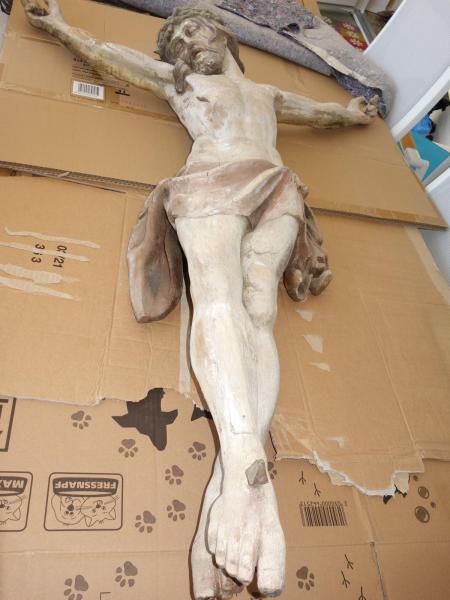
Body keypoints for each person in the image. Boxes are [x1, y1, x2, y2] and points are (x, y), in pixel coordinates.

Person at [21, 2, 378, 598]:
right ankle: (245, 475)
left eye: (194, 28)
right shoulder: (178, 82)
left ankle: (229, 485)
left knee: (259, 309)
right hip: (211, 179)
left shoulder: (266, 94)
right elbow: (110, 56)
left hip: (276, 184)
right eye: (176, 39)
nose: (186, 40)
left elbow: (316, 112)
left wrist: (351, 114)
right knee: (216, 299)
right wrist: (58, 26)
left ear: (222, 35)